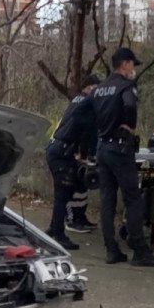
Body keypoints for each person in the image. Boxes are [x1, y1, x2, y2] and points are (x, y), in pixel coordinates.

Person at [90, 47, 154, 267]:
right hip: (120, 149)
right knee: (133, 198)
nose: (133, 69)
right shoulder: (126, 86)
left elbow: (93, 113)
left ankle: (111, 250)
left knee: (107, 200)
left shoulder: (99, 89)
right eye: (132, 64)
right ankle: (140, 251)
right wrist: (129, 126)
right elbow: (130, 105)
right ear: (124, 64)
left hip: (102, 148)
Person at [44, 74, 100, 250]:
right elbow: (88, 133)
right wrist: (87, 155)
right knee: (62, 195)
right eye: (96, 89)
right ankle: (59, 235)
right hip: (63, 152)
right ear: (89, 87)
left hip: (56, 148)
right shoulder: (87, 106)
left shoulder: (77, 100)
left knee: (62, 194)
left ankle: (54, 229)